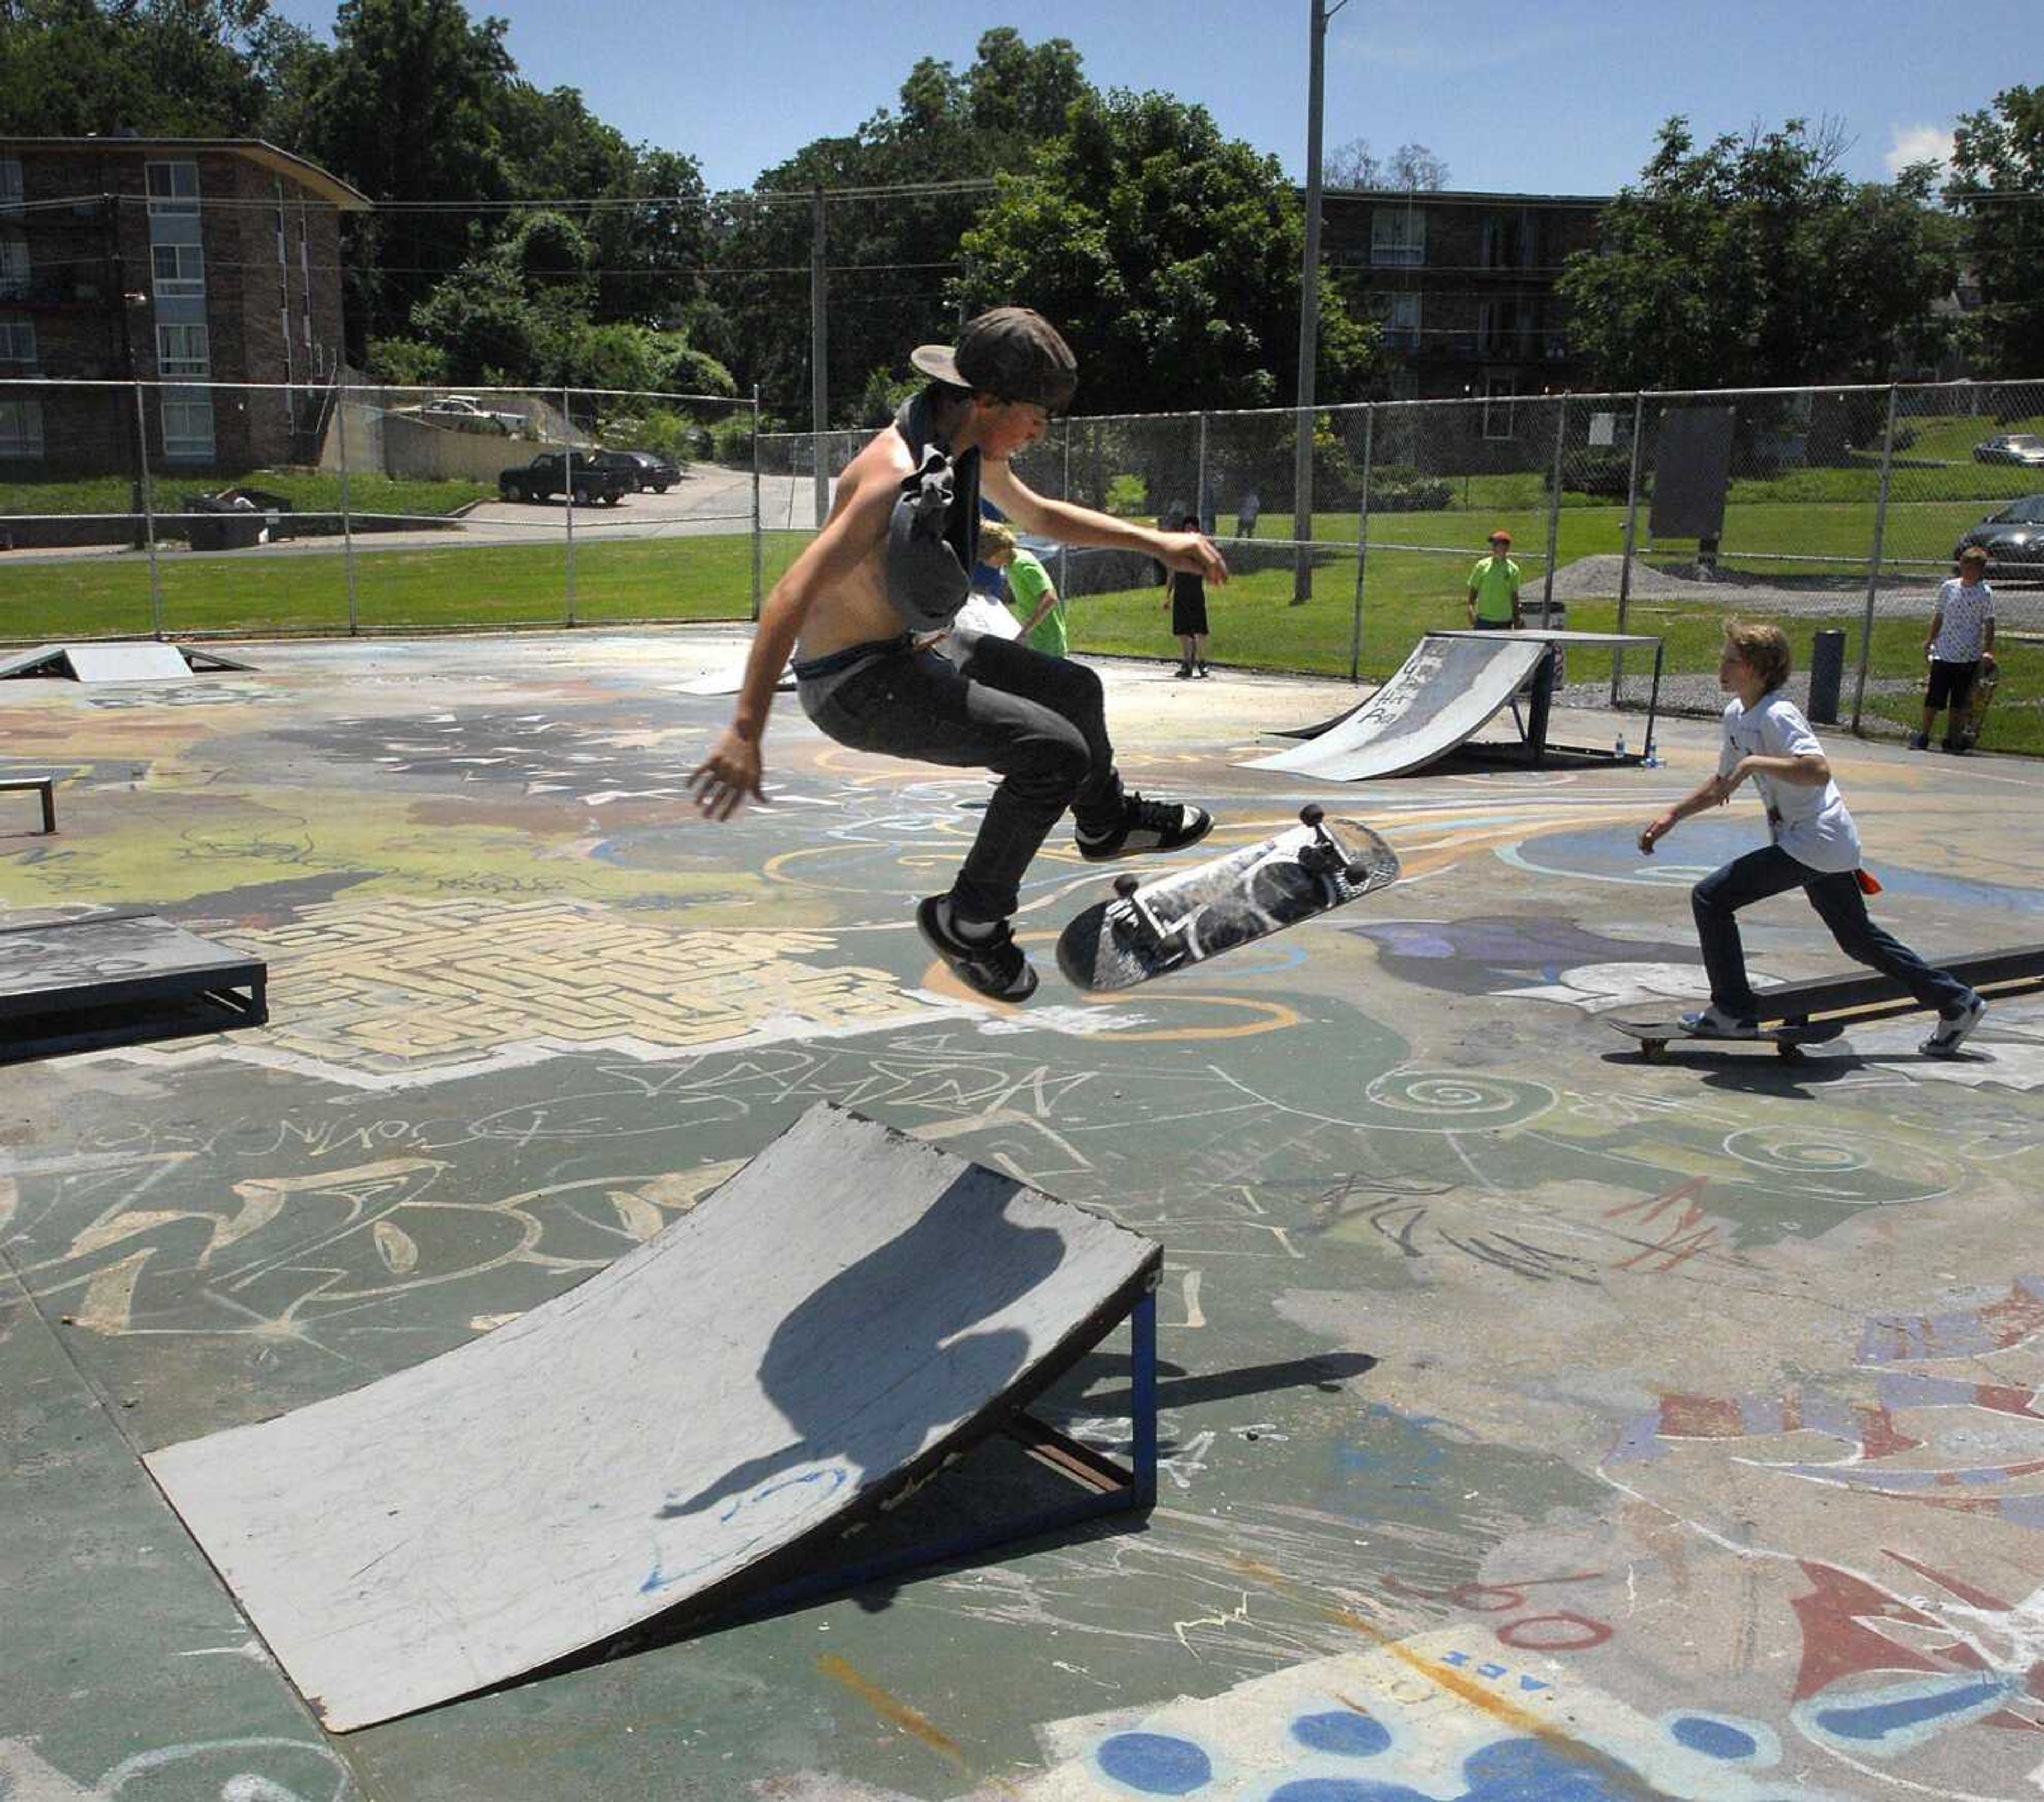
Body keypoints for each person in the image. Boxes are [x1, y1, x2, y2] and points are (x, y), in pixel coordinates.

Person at [689, 306, 1227, 1004]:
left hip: (917, 650)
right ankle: (969, 920)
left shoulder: (966, 441)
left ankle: (1106, 820)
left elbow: (1037, 517)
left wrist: (1160, 543)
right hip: (857, 683)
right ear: (986, 400)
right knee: (1054, 754)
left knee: (1077, 691)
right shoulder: (892, 475)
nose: (1041, 430)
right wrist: (744, 728)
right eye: (1035, 415)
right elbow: (791, 593)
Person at [1637, 619, 1987, 1056]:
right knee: (1858, 939)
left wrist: (1754, 765)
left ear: (1758, 669)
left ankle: (1732, 1011)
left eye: (1731, 661)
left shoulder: (1778, 714)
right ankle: (1957, 1002)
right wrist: (1673, 816)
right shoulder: (1737, 715)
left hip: (1816, 840)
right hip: (1817, 843)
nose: (1721, 669)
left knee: (1712, 898)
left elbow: (1817, 770)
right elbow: (1722, 782)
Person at [1917, 546, 1996, 753]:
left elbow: (1989, 624)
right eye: (1964, 566)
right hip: (1944, 652)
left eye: (1972, 568)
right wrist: (1930, 640)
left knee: (1959, 702)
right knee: (1934, 698)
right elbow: (1940, 615)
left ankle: (1951, 738)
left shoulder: (1984, 593)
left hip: (1967, 655)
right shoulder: (1949, 588)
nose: (1967, 572)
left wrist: (1987, 651)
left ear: (1980, 571)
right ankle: (1923, 735)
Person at [978, 520, 1067, 658]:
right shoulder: (1009, 566)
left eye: (986, 558)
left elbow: (1050, 598)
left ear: (1001, 550)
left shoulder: (1023, 564)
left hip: (1048, 641)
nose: (985, 563)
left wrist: (1024, 632)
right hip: (1035, 639)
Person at [1167, 511, 1211, 679]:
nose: (1189, 532)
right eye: (1187, 528)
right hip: (1181, 593)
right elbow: (1172, 573)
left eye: (1193, 529)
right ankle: (1187, 664)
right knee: (1182, 631)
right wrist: (1168, 596)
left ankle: (1203, 663)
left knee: (1200, 630)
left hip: (1196, 593)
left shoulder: (1201, 548)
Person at [1467, 529, 1521, 628]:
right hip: (1484, 620)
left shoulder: (1514, 569)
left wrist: (1517, 620)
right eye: (1493, 544)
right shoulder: (1481, 566)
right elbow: (1473, 592)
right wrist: (1471, 610)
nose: (1494, 547)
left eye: (1497, 544)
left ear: (1506, 547)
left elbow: (1514, 597)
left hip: (1505, 620)